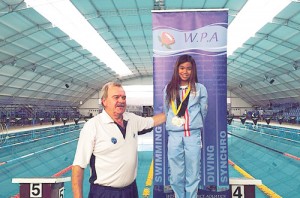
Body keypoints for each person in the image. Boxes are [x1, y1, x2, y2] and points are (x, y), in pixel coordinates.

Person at [72, 82, 165, 198]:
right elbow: (78, 166)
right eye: (116, 97)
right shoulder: (93, 126)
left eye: (123, 97)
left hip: (131, 191)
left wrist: (177, 112)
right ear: (104, 101)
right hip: (104, 193)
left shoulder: (132, 119)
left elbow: (153, 120)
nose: (121, 100)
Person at [163, 54, 208, 198]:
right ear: (177, 69)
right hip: (174, 135)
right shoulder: (169, 88)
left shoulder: (200, 88)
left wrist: (193, 124)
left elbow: (203, 111)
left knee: (193, 172)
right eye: (182, 68)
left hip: (192, 135)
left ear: (193, 70)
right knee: (176, 173)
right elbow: (166, 110)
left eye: (189, 68)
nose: (185, 71)